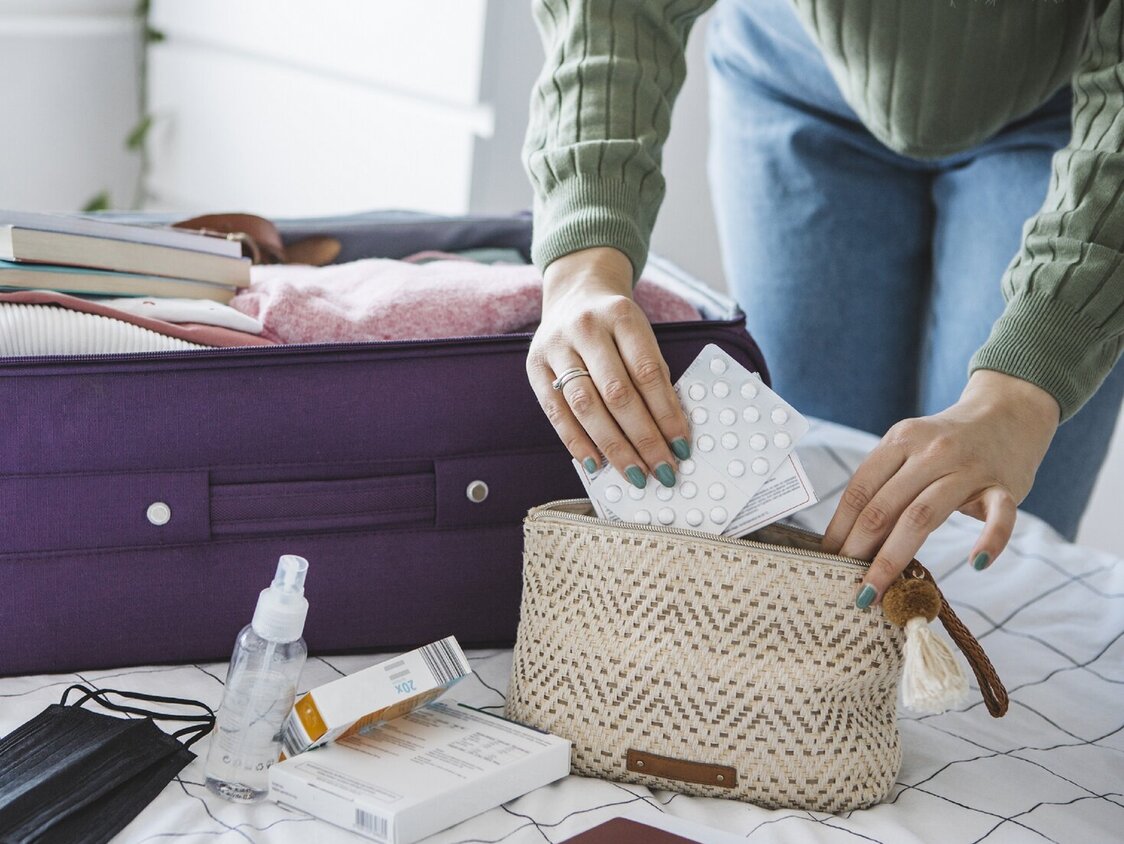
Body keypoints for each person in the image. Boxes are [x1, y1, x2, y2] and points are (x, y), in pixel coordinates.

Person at [521, 0, 1124, 608]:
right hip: (793, 79)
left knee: (987, 565)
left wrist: (1019, 395)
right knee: (809, 525)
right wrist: (581, 263)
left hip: (1075, 115)